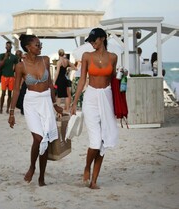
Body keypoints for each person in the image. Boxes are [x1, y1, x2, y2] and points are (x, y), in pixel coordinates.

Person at [8, 34, 63, 186]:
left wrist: (55, 103)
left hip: (46, 101)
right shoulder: (21, 66)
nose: (40, 47)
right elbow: (17, 90)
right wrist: (12, 112)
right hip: (31, 102)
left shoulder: (45, 60)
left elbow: (51, 83)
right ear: (28, 47)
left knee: (45, 138)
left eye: (40, 44)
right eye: (37, 45)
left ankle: (42, 177)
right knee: (38, 138)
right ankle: (32, 166)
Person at [71, 28, 119, 189]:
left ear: (103, 38)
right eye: (90, 41)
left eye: (94, 40)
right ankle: (86, 167)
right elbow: (83, 79)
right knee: (95, 141)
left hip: (107, 98)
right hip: (90, 99)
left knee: (103, 140)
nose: (92, 43)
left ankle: (94, 181)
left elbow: (113, 81)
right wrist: (74, 102)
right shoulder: (87, 56)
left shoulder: (113, 57)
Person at [0, 41, 19, 114]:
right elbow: (0, 65)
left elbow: (17, 67)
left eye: (9, 46)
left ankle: (7, 108)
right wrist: (5, 58)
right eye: (7, 46)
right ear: (5, 47)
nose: (8, 47)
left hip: (11, 77)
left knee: (10, 94)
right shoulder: (1, 55)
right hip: (4, 77)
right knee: (3, 93)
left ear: (11, 47)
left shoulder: (14, 57)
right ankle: (1, 108)